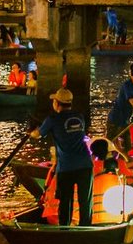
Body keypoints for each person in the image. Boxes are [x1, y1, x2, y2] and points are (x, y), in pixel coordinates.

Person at [33, 87, 92, 226]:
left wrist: (31, 132)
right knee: (85, 201)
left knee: (65, 201)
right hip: (85, 165)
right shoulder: (80, 116)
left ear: (57, 103)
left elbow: (38, 134)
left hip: (66, 167)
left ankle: (65, 229)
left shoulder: (53, 119)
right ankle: (86, 228)